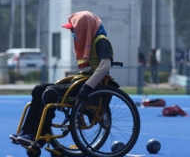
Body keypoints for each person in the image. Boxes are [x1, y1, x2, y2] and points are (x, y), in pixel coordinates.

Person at [9, 10, 114, 147]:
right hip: (79, 83)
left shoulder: (101, 41)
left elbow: (105, 65)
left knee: (49, 93)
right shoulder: (86, 43)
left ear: (84, 28)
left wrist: (87, 87)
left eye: (75, 30)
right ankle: (28, 131)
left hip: (91, 87)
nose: (73, 33)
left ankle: (37, 134)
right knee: (39, 89)